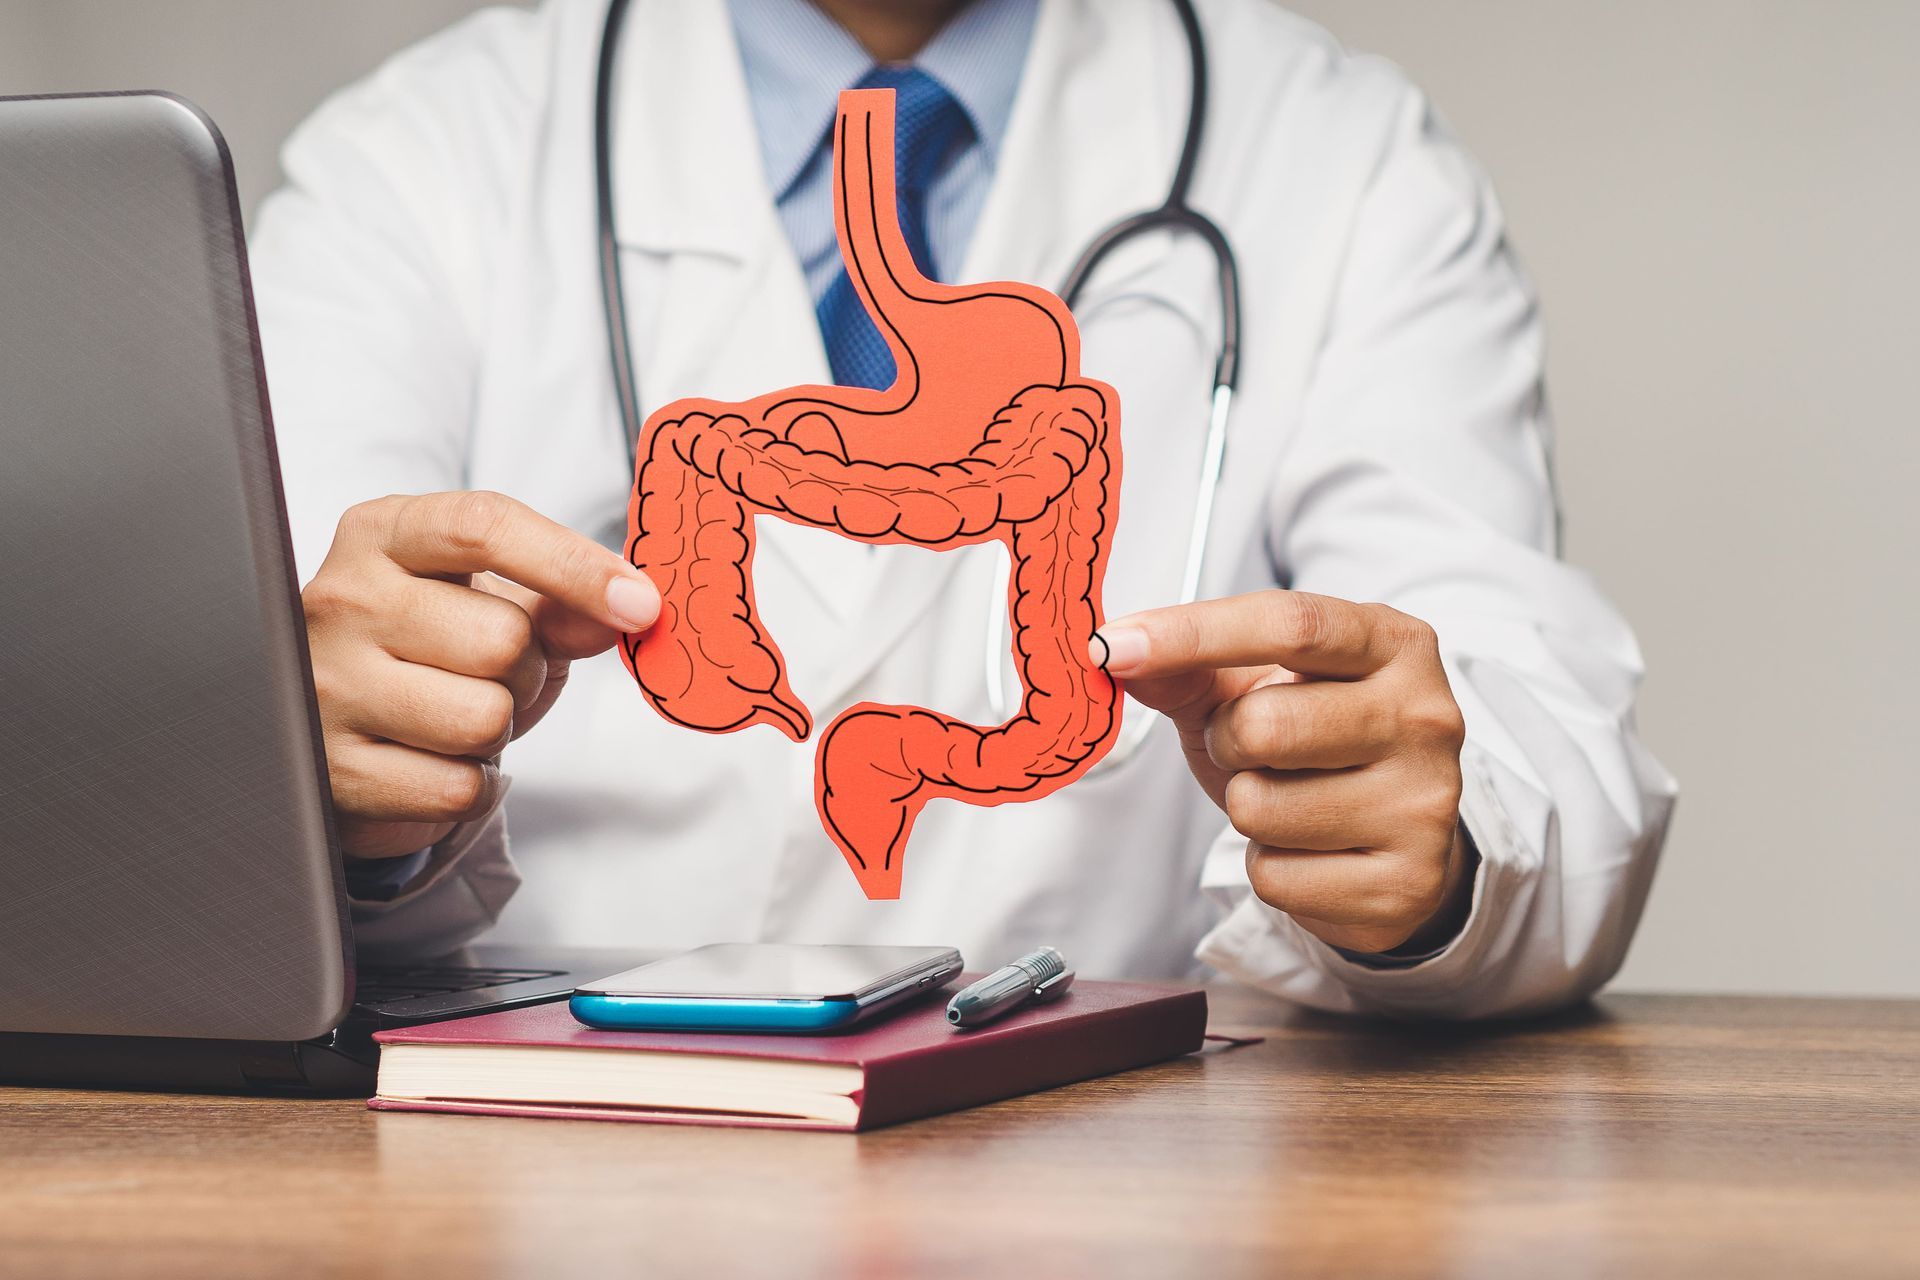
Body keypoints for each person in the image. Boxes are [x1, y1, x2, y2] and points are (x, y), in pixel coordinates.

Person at [249, 0, 1674, 1019]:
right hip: (535, 1197)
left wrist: (1439, 851)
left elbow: (1529, 752)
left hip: (1114, 1196)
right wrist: (327, 775)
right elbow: (233, 782)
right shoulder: (412, 166)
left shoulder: (1347, 165)